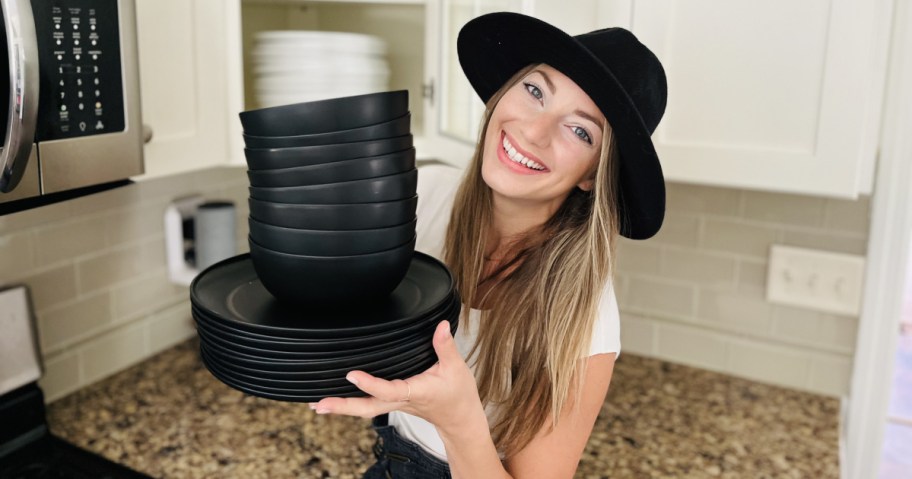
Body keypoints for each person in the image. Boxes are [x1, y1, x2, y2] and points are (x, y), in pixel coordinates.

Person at [310, 11, 668, 478]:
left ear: (591, 177)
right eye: (535, 90)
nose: (533, 131)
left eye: (580, 131)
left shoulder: (584, 317)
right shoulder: (423, 195)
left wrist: (459, 421)